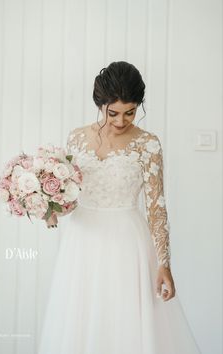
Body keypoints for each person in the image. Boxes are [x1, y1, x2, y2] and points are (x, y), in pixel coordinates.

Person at [38, 61, 201, 353]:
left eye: (130, 112)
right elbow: (70, 195)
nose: (120, 120)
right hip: (82, 241)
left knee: (125, 319)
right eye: (113, 112)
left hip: (127, 242)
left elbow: (156, 207)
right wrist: (48, 207)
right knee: (82, 318)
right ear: (100, 103)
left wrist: (164, 264)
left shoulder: (148, 144)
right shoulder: (76, 138)